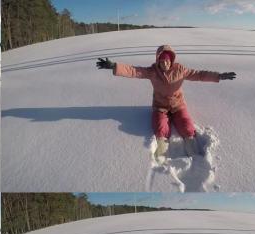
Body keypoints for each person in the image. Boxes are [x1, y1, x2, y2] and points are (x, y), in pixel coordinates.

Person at [97, 45, 236, 158]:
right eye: (162, 61)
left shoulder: (180, 70)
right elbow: (133, 71)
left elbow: (199, 75)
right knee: (160, 127)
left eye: (167, 60)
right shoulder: (152, 71)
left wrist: (219, 76)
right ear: (158, 61)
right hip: (160, 106)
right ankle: (162, 151)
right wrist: (114, 66)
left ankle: (193, 152)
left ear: (172, 60)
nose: (165, 63)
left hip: (178, 104)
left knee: (187, 125)